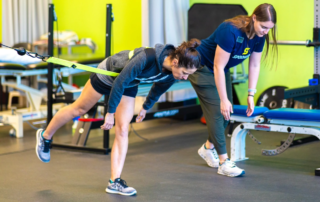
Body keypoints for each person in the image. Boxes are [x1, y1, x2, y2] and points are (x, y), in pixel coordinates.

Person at [35, 39, 201, 196]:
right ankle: (45, 136)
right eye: (185, 73)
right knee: (79, 109)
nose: (185, 78)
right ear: (175, 62)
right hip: (108, 75)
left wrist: (146, 107)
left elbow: (158, 88)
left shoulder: (172, 74)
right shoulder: (147, 57)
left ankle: (114, 181)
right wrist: (110, 113)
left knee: (123, 128)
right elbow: (119, 82)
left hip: (130, 83)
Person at [188, 3, 278, 177]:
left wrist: (251, 94)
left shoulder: (260, 36)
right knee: (217, 112)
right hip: (201, 66)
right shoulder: (230, 31)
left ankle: (208, 148)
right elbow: (217, 66)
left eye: (270, 28)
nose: (266, 32)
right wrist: (223, 99)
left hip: (221, 70)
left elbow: (254, 64)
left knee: (226, 115)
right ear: (254, 18)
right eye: (264, 26)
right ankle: (224, 163)